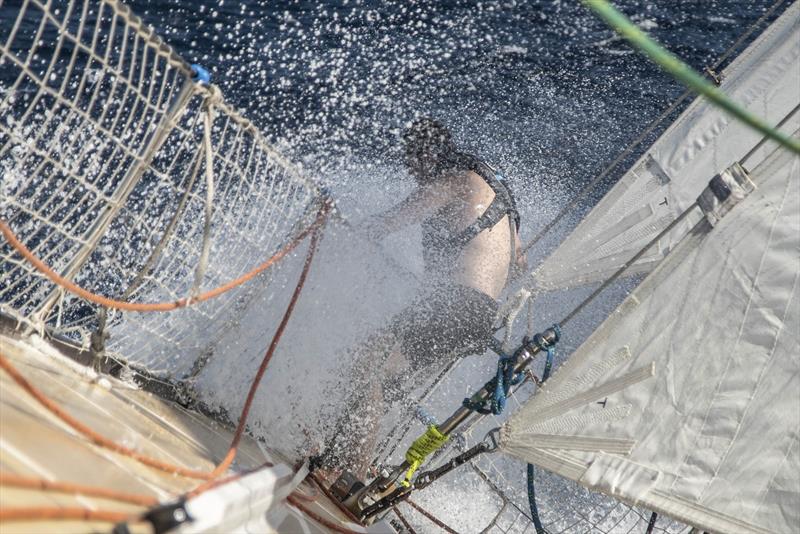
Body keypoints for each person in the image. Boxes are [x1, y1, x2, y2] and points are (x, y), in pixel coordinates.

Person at [322, 117, 525, 478]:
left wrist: (338, 226)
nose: (412, 174)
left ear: (426, 155)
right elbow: (518, 266)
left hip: (456, 306)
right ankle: (342, 458)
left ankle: (347, 474)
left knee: (368, 366)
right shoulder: (500, 200)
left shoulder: (455, 180)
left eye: (412, 164)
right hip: (478, 315)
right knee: (379, 375)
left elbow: (390, 222)